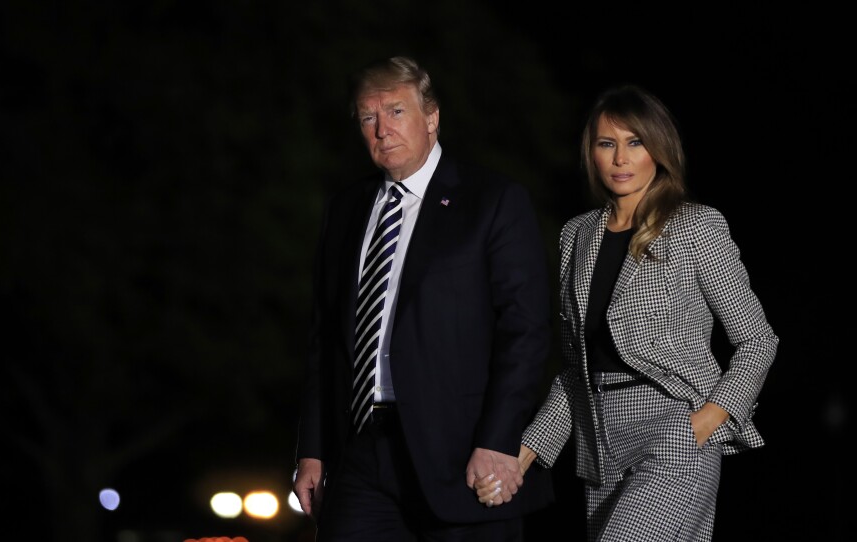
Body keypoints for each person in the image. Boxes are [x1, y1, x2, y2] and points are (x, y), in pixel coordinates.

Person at [475, 84, 779, 541]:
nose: (620, 158)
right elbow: (577, 371)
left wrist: (703, 423)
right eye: (607, 143)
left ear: (658, 150)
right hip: (600, 443)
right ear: (592, 153)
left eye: (635, 142)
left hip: (673, 429)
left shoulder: (696, 226)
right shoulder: (576, 236)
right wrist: (521, 455)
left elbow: (758, 340)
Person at [292, 55, 554, 541]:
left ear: (431, 118)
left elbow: (525, 331)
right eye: (368, 117)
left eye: (396, 112)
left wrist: (498, 441)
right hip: (362, 453)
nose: (381, 129)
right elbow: (325, 338)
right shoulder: (346, 210)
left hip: (460, 455)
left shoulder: (492, 200)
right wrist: (313, 449)